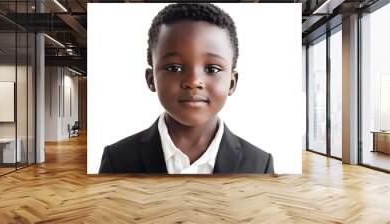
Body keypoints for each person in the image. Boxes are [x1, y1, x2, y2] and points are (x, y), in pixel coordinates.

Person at [99, 3, 274, 174]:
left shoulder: (260, 164)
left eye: (212, 69)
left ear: (232, 83)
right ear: (151, 80)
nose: (193, 81)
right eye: (174, 68)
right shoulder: (117, 159)